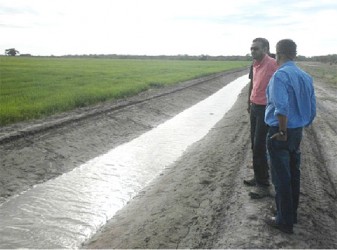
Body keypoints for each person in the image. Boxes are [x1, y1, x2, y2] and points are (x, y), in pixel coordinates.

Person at [264, 39, 316, 234]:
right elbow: (312, 108)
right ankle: (290, 213)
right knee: (294, 173)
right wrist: (301, 125)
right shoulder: (305, 76)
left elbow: (281, 107)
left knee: (281, 176)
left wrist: (283, 131)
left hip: (281, 131)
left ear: (278, 54)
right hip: (297, 131)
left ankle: (283, 220)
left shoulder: (280, 75)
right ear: (294, 53)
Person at [244, 38, 278, 199]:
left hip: (266, 109)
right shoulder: (254, 64)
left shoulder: (273, 64)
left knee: (259, 146)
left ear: (265, 49)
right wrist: (249, 101)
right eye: (251, 49)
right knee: (254, 144)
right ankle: (258, 177)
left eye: (256, 49)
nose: (253, 51)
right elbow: (253, 84)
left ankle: (263, 185)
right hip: (255, 107)